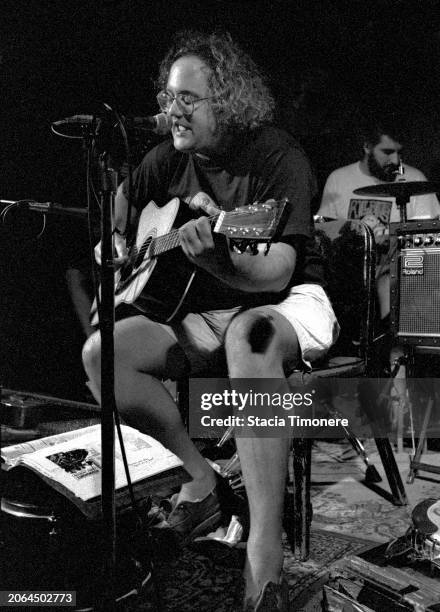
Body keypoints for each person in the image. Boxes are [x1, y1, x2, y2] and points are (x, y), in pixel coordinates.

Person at [82, 31, 338, 611]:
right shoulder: (167, 157)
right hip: (205, 309)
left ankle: (263, 559)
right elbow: (125, 204)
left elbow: (275, 271)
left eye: (188, 99)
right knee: (103, 354)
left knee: (251, 334)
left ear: (227, 101)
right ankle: (202, 483)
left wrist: (219, 254)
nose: (172, 110)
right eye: (169, 97)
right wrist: (122, 241)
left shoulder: (278, 157)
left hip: (290, 300)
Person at [317, 117, 440, 324]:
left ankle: (393, 341)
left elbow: (427, 239)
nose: (395, 161)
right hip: (350, 270)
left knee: (395, 275)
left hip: (398, 270)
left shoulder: (415, 178)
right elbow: (325, 231)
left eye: (399, 152)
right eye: (387, 152)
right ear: (367, 146)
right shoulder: (339, 178)